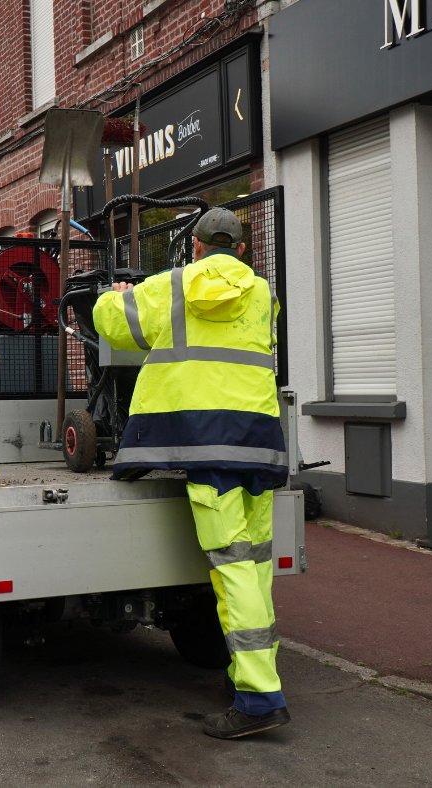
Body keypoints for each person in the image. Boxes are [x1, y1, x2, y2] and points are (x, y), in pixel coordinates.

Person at [92, 207, 289, 739]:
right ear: (242, 250)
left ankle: (259, 699)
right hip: (261, 444)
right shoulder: (265, 294)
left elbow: (115, 324)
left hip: (207, 445)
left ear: (198, 248)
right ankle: (249, 675)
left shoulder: (175, 285)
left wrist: (112, 294)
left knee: (231, 568)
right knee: (255, 565)